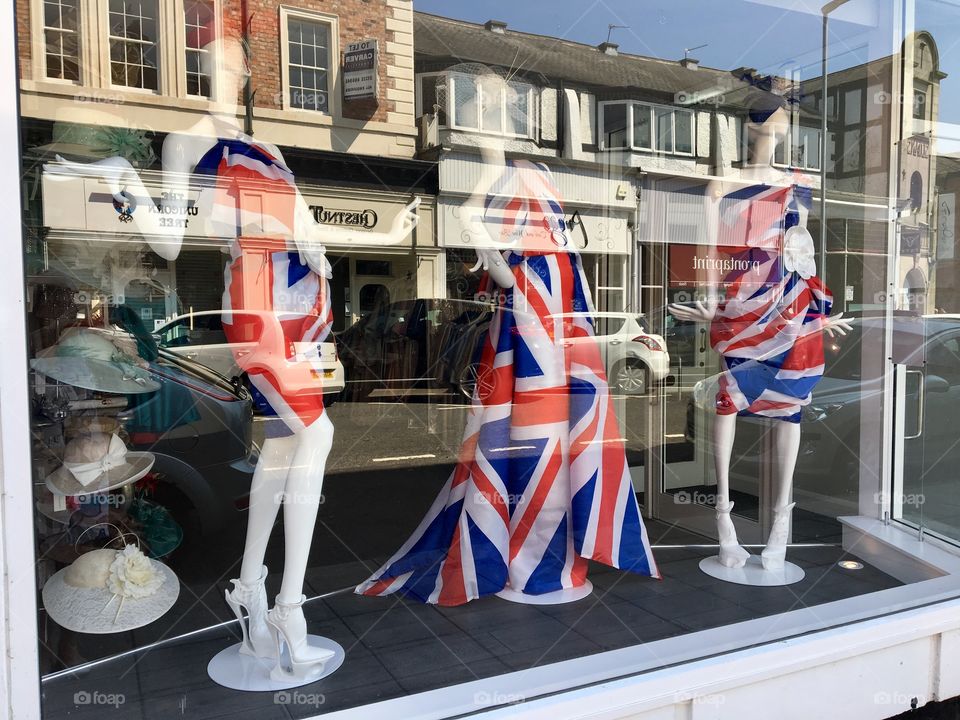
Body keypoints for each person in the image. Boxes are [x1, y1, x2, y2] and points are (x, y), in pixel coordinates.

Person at [356, 66, 658, 605]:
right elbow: (471, 219)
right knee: (532, 434)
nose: (503, 113)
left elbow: (547, 238)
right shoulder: (493, 166)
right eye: (492, 104)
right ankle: (521, 555)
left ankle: (551, 554)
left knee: (558, 437)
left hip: (556, 315)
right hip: (530, 317)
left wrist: (520, 273)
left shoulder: (532, 167)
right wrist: (507, 271)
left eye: (506, 103)